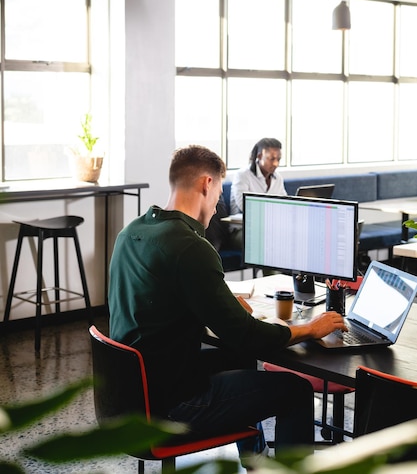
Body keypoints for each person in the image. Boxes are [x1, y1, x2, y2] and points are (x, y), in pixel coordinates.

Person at [108, 145, 346, 468]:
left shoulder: (130, 233)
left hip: (131, 394)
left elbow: (162, 298)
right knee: (296, 390)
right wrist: (309, 329)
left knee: (239, 358)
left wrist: (217, 299)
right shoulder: (192, 246)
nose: (219, 201)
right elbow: (246, 334)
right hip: (173, 407)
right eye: (219, 191)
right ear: (207, 184)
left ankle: (254, 458)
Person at [230, 137, 287, 215]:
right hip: (243, 224)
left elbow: (284, 204)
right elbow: (244, 206)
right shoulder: (243, 175)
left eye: (278, 159)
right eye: (271, 159)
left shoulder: (278, 178)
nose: (276, 164)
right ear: (259, 156)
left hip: (271, 222)